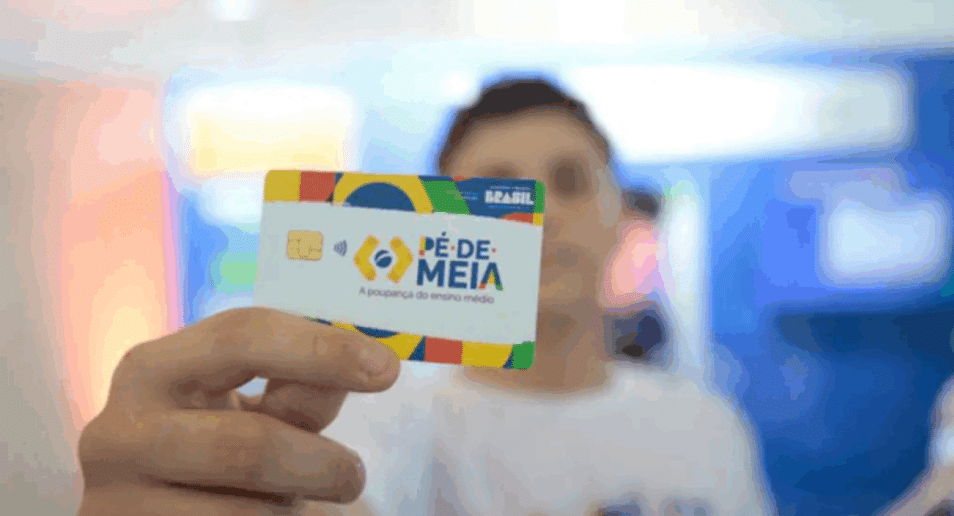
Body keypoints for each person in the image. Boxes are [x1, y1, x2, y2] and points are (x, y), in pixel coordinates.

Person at [75, 78, 777, 515]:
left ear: (619, 214)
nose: (540, 215)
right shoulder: (385, 418)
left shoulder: (707, 424)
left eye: (569, 181)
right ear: (444, 224)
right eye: (501, 190)